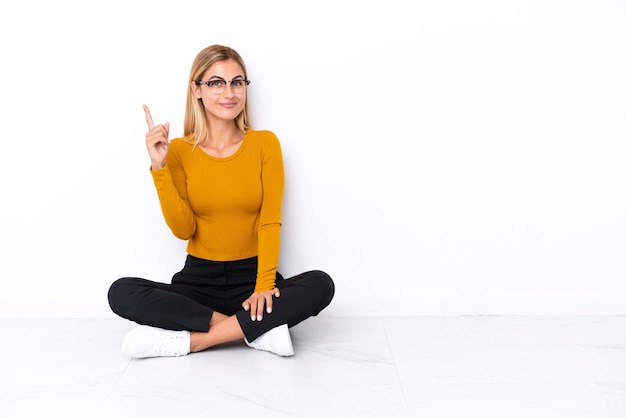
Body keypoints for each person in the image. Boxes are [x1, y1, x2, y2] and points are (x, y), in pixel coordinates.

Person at [107, 44, 335, 359]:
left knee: (321, 284)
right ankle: (254, 331)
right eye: (216, 82)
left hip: (252, 279)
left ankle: (196, 340)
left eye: (237, 82)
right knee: (121, 292)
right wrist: (159, 168)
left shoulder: (264, 144)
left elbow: (269, 221)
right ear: (196, 89)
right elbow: (183, 229)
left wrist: (264, 287)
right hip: (198, 283)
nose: (229, 92)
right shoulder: (178, 151)